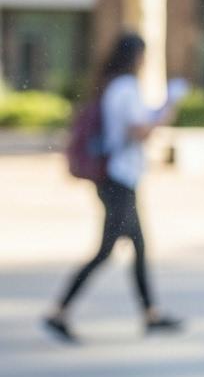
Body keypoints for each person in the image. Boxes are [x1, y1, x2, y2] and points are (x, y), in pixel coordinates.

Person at [44, 33, 185, 343]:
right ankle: (59, 311)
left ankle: (151, 314)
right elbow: (139, 131)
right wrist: (168, 108)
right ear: (136, 57)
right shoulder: (125, 88)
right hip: (118, 178)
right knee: (107, 250)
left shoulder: (113, 86)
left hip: (120, 178)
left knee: (137, 246)